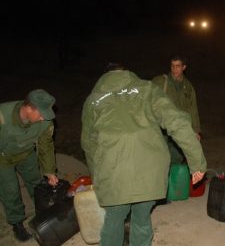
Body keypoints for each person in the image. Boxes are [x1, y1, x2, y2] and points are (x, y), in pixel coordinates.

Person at [81, 64, 206, 246]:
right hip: (151, 167)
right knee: (141, 217)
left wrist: (98, 178)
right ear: (127, 73)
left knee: (114, 219)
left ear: (106, 75)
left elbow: (88, 144)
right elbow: (177, 120)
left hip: (114, 169)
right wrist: (197, 162)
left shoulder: (93, 100)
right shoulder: (147, 89)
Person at [0, 89, 59, 241]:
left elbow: (46, 145)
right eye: (40, 114)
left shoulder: (45, 121)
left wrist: (49, 171)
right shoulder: (2, 116)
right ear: (29, 108)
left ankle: (43, 214)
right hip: (3, 158)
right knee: (10, 191)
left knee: (37, 184)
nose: (42, 118)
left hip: (27, 154)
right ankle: (17, 223)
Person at [152, 55, 201, 164]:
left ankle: (173, 180)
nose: (174, 69)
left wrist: (195, 130)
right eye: (172, 66)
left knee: (177, 158)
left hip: (179, 127)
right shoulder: (161, 81)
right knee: (160, 158)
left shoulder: (188, 86)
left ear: (184, 67)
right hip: (162, 127)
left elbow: (192, 108)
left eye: (178, 66)